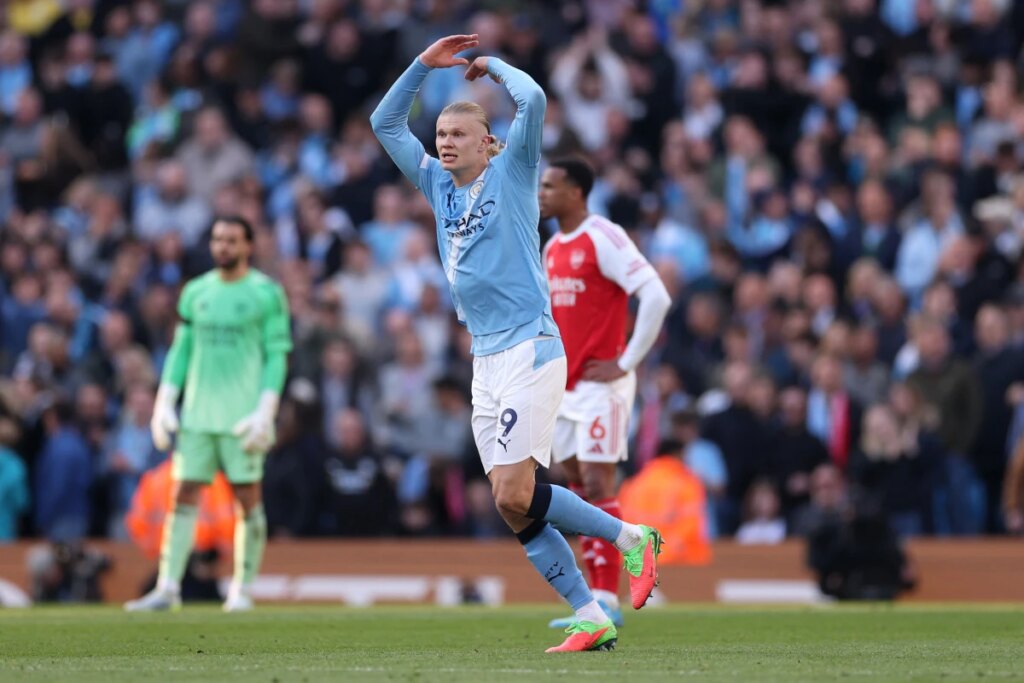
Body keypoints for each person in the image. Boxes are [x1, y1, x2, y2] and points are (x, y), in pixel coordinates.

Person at [371, 34, 661, 653]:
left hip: (531, 344)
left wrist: (492, 67)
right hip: (485, 358)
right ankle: (590, 614)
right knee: (513, 508)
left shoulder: (514, 169)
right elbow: (385, 121)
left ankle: (628, 537)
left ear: (488, 143)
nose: (444, 142)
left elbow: (532, 98)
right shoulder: (435, 185)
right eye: (441, 134)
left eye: (457, 134)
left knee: (513, 489)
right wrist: (424, 64)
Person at [124, 215, 293, 613]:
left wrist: (265, 410)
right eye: (218, 239)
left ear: (248, 246)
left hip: (242, 417)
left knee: (247, 499)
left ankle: (242, 589)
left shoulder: (266, 293)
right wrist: (165, 402)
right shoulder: (195, 292)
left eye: (232, 240)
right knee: (183, 496)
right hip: (198, 416)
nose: (223, 247)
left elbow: (277, 355)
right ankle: (168, 587)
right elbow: (180, 352)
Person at [540, 157, 671, 629]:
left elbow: (656, 294)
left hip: (603, 387)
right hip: (566, 387)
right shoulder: (552, 248)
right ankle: (595, 601)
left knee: (598, 485)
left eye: (551, 186)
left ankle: (607, 594)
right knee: (575, 487)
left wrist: (627, 361)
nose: (542, 194)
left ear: (577, 192)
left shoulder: (604, 236)